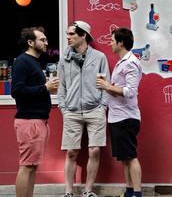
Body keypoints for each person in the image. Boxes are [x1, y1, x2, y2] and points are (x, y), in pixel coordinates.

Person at [57, 21, 109, 197]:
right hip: (71, 111)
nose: (68, 37)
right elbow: (61, 86)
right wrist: (63, 108)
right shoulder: (64, 60)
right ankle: (68, 191)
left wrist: (102, 107)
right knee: (72, 152)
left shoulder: (99, 57)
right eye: (68, 34)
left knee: (94, 150)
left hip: (95, 110)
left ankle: (88, 190)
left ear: (83, 35)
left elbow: (105, 84)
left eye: (72, 34)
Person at [11, 27, 59, 197]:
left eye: (46, 39)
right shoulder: (23, 61)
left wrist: (45, 89)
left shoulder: (34, 62)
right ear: (30, 42)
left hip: (38, 121)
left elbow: (33, 89)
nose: (46, 42)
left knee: (32, 166)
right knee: (26, 166)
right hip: (29, 122)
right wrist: (44, 87)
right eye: (42, 40)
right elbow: (16, 91)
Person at [96, 27, 143, 197]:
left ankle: (137, 193)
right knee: (125, 157)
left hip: (126, 117)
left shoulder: (130, 62)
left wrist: (106, 85)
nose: (110, 43)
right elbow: (117, 89)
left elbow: (130, 91)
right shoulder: (122, 61)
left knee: (130, 156)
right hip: (117, 117)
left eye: (112, 40)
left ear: (120, 42)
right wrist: (107, 86)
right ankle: (129, 192)